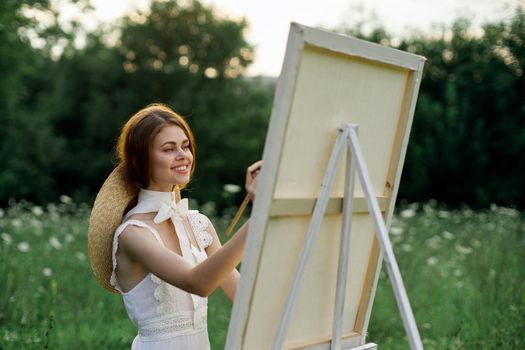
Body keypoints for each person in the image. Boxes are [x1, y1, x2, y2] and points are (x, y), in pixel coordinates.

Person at [87, 103, 261, 349]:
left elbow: (244, 298)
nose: (183, 155)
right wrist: (260, 219)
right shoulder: (132, 234)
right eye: (168, 149)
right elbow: (198, 283)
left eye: (185, 146)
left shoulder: (199, 224)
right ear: (141, 160)